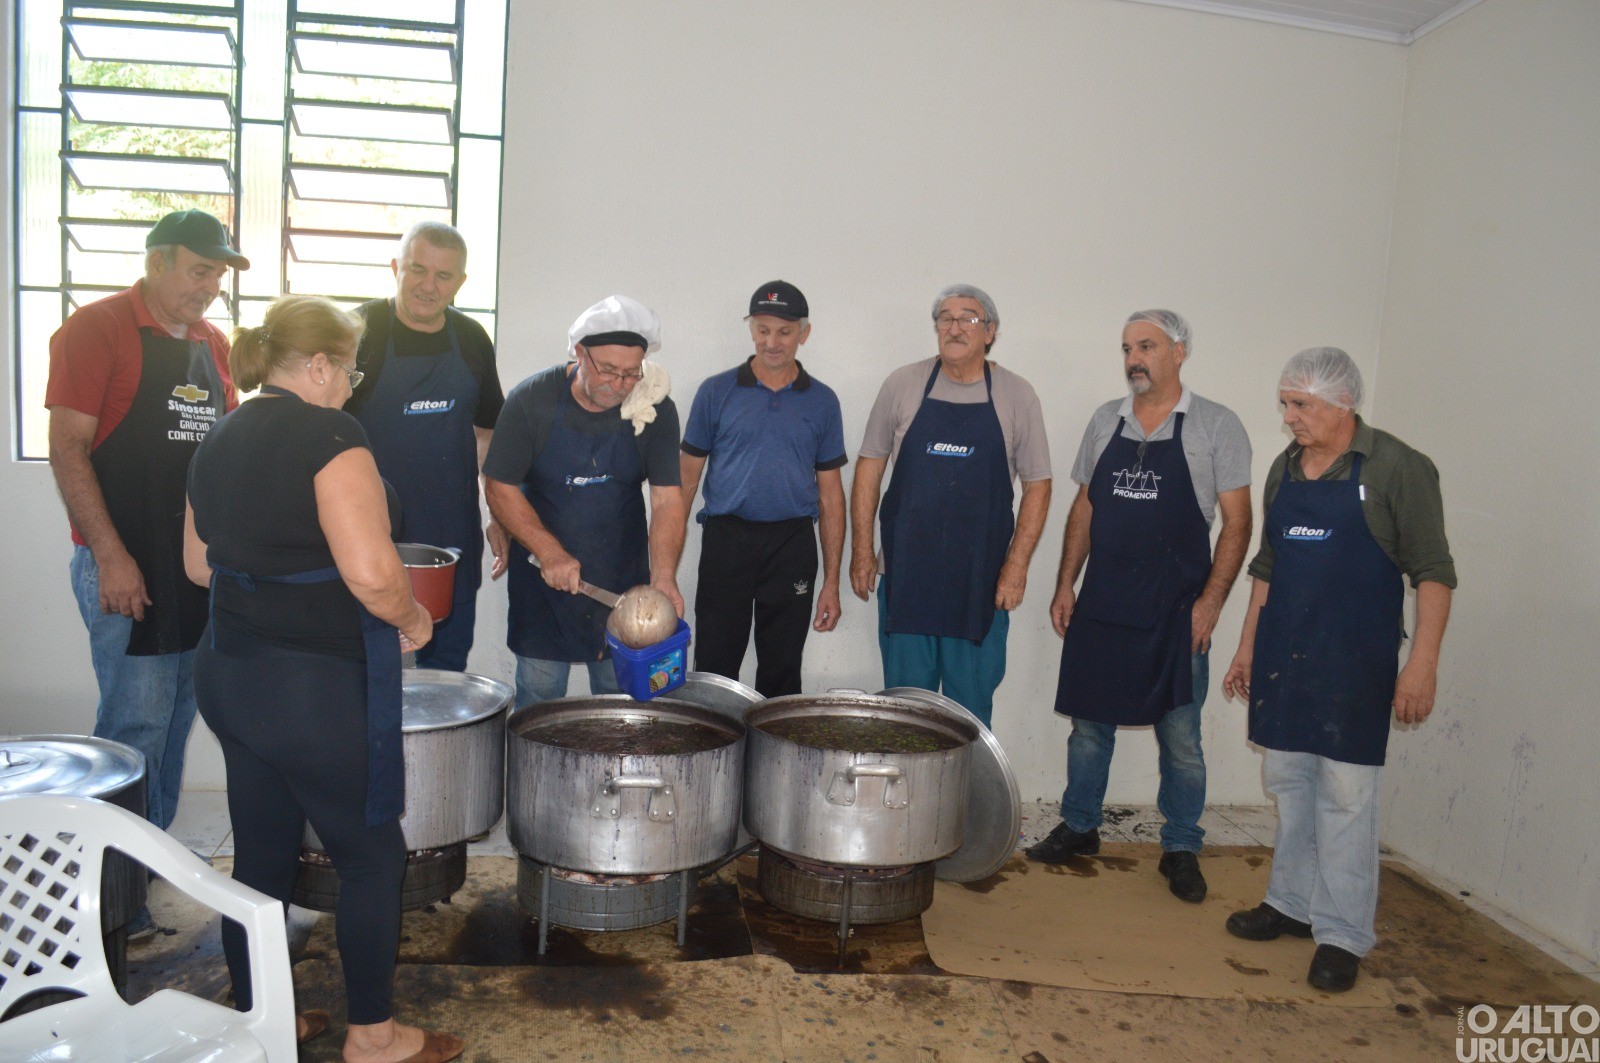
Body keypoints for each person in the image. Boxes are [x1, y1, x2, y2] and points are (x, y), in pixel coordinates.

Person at [185, 295, 464, 1062]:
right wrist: (413, 620)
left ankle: (259, 1012)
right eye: (350, 369)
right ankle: (373, 1035)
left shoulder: (220, 432)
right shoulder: (331, 432)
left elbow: (193, 562)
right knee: (372, 857)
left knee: (263, 850)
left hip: (231, 675)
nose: (352, 385)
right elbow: (375, 574)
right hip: (309, 689)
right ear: (318, 365)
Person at [1221, 347, 1455, 993]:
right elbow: (1266, 568)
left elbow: (1433, 571)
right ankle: (1290, 903)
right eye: (1286, 403)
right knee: (1290, 784)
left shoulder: (1397, 468)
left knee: (1348, 797)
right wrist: (1247, 647)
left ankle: (1344, 933)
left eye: (1302, 405)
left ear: (1344, 403)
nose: (1288, 416)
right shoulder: (1285, 468)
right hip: (1286, 655)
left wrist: (1421, 665)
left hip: (1356, 661)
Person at [1026, 310, 1252, 906]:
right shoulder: (1107, 421)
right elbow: (1085, 509)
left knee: (1181, 736)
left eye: (1147, 346)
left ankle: (1180, 845)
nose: (1134, 358)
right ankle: (1079, 826)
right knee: (1088, 728)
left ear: (1179, 351)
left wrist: (1211, 603)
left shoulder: (1215, 426)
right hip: (1104, 601)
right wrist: (1065, 583)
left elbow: (1238, 525)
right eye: (1128, 347)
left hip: (1177, 611)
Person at [45, 209, 246, 853]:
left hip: (190, 568)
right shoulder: (95, 330)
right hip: (126, 564)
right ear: (157, 260)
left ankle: (144, 859)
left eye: (218, 273)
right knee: (134, 725)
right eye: (199, 269)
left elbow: (226, 452)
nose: (211, 284)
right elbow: (68, 450)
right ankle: (104, 882)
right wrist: (110, 557)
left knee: (178, 716)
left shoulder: (212, 344)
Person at [849, 284, 1052, 727]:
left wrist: (1016, 567)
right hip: (906, 578)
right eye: (946, 318)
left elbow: (1038, 486)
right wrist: (862, 551)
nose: (955, 327)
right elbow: (869, 467)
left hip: (980, 585)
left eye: (968, 318)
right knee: (904, 713)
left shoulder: (1017, 396)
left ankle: (967, 799)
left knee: (969, 717)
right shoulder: (902, 384)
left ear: (990, 332)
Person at [484, 295, 686, 706]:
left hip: (621, 577)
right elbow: (499, 486)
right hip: (542, 577)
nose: (620, 385)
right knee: (539, 694)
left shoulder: (653, 409)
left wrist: (664, 576)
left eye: (632, 373)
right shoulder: (530, 402)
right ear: (579, 353)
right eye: (608, 370)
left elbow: (667, 501)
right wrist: (549, 551)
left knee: (621, 697)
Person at [345, 221, 506, 671]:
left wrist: (496, 511)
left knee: (444, 673)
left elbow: (487, 433)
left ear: (460, 283)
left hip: (450, 533)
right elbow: (318, 431)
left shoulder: (472, 339)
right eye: (417, 270)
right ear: (395, 266)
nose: (428, 286)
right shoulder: (359, 332)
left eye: (443, 276)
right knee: (370, 673)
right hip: (369, 536)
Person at [679, 281, 847, 696]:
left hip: (791, 544)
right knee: (715, 668)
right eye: (762, 330)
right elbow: (683, 484)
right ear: (752, 329)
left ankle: (774, 761)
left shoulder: (823, 402)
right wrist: (663, 571)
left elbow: (831, 496)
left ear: (803, 334)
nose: (772, 342)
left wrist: (831, 582)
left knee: (782, 670)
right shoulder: (715, 392)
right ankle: (715, 759)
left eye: (784, 332)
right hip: (727, 539)